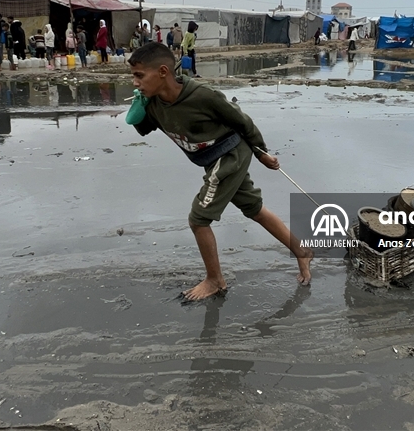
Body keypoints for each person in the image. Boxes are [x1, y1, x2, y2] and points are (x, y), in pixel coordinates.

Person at [127, 42, 313, 300]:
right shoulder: (154, 103)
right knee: (255, 209)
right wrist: (138, 109)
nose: (135, 82)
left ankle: (215, 280)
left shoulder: (202, 96)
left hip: (230, 154)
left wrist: (261, 153)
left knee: (199, 218)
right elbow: (144, 128)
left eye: (139, 75)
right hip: (210, 158)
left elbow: (242, 121)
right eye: (133, 76)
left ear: (162, 72)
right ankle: (301, 251)